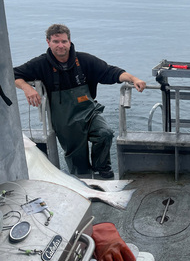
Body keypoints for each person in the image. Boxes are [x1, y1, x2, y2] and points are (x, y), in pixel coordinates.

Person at [14, 24, 146, 178]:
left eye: (64, 41)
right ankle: (82, 180)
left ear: (70, 42)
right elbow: (12, 74)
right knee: (78, 163)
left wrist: (133, 78)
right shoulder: (40, 64)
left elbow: (112, 72)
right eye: (56, 42)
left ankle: (101, 168)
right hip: (65, 121)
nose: (60, 45)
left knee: (105, 133)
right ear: (48, 42)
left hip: (89, 112)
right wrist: (26, 88)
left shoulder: (84, 60)